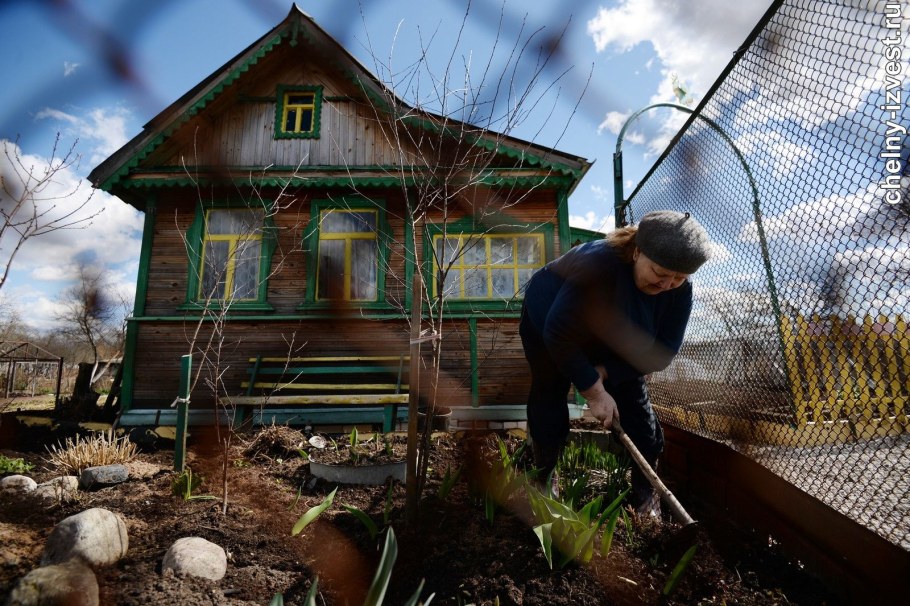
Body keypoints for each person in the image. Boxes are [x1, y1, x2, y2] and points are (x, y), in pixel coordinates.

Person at [519, 210, 711, 516]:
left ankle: (645, 494)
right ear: (637, 252)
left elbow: (662, 352)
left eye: (678, 278)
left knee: (638, 417)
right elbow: (558, 332)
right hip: (551, 322)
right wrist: (594, 391)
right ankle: (543, 475)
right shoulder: (597, 265)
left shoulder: (679, 292)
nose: (666, 284)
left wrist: (609, 372)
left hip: (613, 338)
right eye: (659, 273)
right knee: (550, 390)